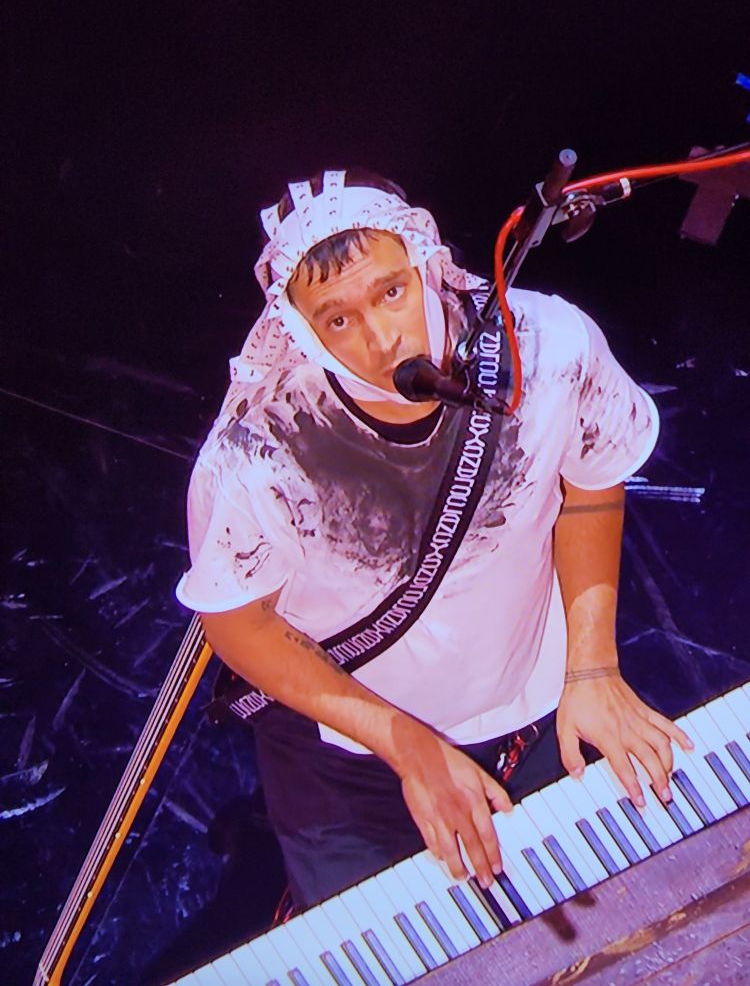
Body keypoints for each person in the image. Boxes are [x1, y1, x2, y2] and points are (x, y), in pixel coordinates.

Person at [176, 168, 691, 911]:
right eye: (338, 319)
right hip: (349, 764)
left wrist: (592, 668)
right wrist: (404, 742)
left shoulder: (546, 346)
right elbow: (237, 621)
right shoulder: (257, 454)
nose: (383, 339)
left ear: (426, 265)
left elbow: (592, 479)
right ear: (298, 331)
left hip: (541, 703)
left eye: (390, 292)